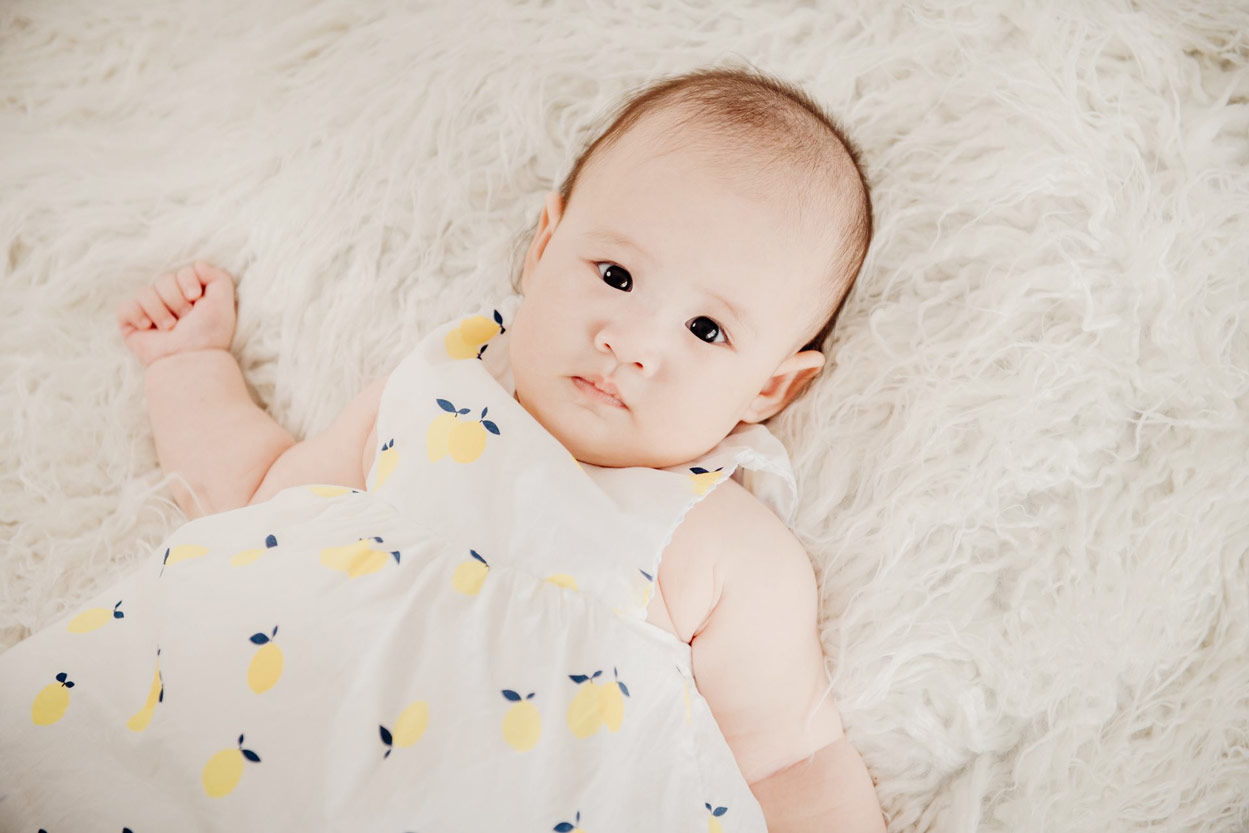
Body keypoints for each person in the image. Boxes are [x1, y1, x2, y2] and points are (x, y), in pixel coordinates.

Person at [4, 65, 884, 832]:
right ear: (544, 247)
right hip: (227, 756)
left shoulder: (723, 548)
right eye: (615, 276)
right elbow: (263, 494)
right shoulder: (435, 392)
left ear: (771, 388)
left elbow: (792, 763)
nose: (631, 342)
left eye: (705, 328)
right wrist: (188, 365)